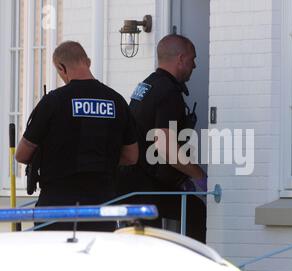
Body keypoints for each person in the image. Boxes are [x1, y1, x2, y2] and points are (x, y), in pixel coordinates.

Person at [16, 41, 139, 231]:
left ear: (61, 67)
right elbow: (131, 156)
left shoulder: (53, 102)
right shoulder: (117, 101)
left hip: (57, 207)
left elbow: (22, 154)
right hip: (101, 207)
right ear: (88, 62)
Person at [117, 34, 208, 243]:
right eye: (193, 59)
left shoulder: (148, 85)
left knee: (190, 213)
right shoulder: (168, 92)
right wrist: (199, 176)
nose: (194, 65)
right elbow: (165, 145)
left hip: (132, 184)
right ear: (181, 58)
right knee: (195, 214)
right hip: (147, 188)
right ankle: (194, 270)